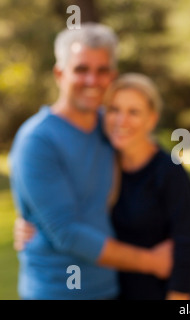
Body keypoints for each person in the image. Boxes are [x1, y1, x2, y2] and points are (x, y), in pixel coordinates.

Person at [9, 23, 172, 300]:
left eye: (102, 70)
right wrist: (151, 261)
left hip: (112, 286)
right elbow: (67, 233)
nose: (92, 80)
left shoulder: (111, 127)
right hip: (57, 292)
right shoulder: (37, 140)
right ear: (60, 74)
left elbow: (159, 170)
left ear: (114, 76)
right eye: (81, 69)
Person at [102, 73, 190, 300]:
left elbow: (188, 244)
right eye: (114, 110)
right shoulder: (103, 166)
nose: (121, 120)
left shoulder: (169, 171)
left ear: (152, 119)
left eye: (133, 112)